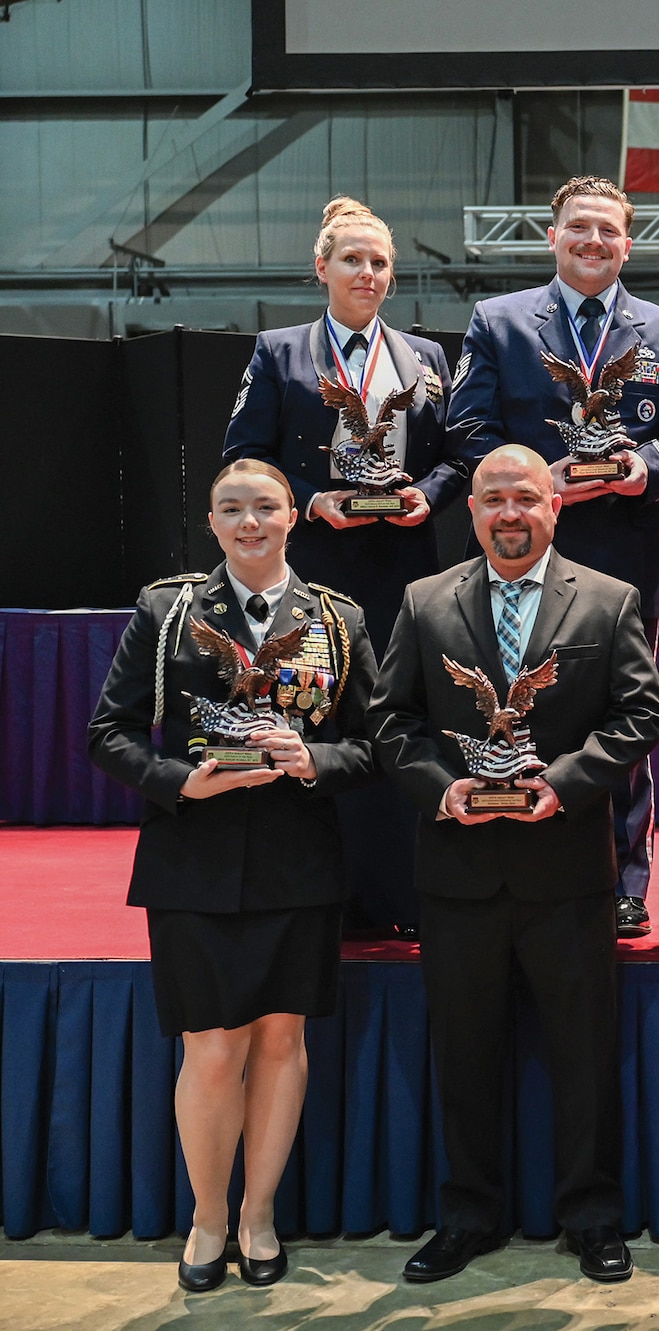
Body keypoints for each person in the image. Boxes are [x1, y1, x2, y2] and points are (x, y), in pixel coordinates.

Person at [369, 445, 659, 1285]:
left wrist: (566, 782)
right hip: (457, 873)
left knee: (583, 1057)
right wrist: (442, 787)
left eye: (526, 497)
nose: (510, 513)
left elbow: (643, 715)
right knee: (463, 1057)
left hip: (568, 870)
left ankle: (593, 1216)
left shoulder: (609, 602)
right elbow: (391, 721)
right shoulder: (425, 602)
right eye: (493, 498)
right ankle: (467, 1215)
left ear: (555, 505)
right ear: (471, 511)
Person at [87, 459, 376, 1293]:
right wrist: (181, 780)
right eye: (231, 509)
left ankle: (260, 1213)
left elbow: (377, 743)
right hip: (193, 863)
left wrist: (311, 756)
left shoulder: (337, 617)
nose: (249, 523)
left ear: (294, 517)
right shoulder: (168, 609)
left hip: (299, 862)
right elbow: (108, 734)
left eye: (265, 508)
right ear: (211, 523)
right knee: (212, 1050)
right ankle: (208, 1215)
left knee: (283, 1042)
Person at [448, 175, 659, 939]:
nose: (594, 241)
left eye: (609, 231)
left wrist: (642, 469)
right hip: (520, 553)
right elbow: (466, 431)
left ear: (629, 241)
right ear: (552, 236)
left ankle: (624, 879)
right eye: (579, 227)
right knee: (520, 707)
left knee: (626, 723)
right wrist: (532, 480)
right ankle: (517, 861)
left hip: (625, 553)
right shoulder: (500, 321)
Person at [221, 195, 459, 939]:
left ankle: (398, 893)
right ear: (320, 267)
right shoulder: (278, 351)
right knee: (319, 721)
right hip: (315, 572)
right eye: (352, 259)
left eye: (380, 261)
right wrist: (306, 498)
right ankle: (322, 895)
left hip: (404, 568)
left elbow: (456, 459)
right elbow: (243, 459)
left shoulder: (428, 357)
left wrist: (428, 494)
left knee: (395, 723)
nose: (367, 272)